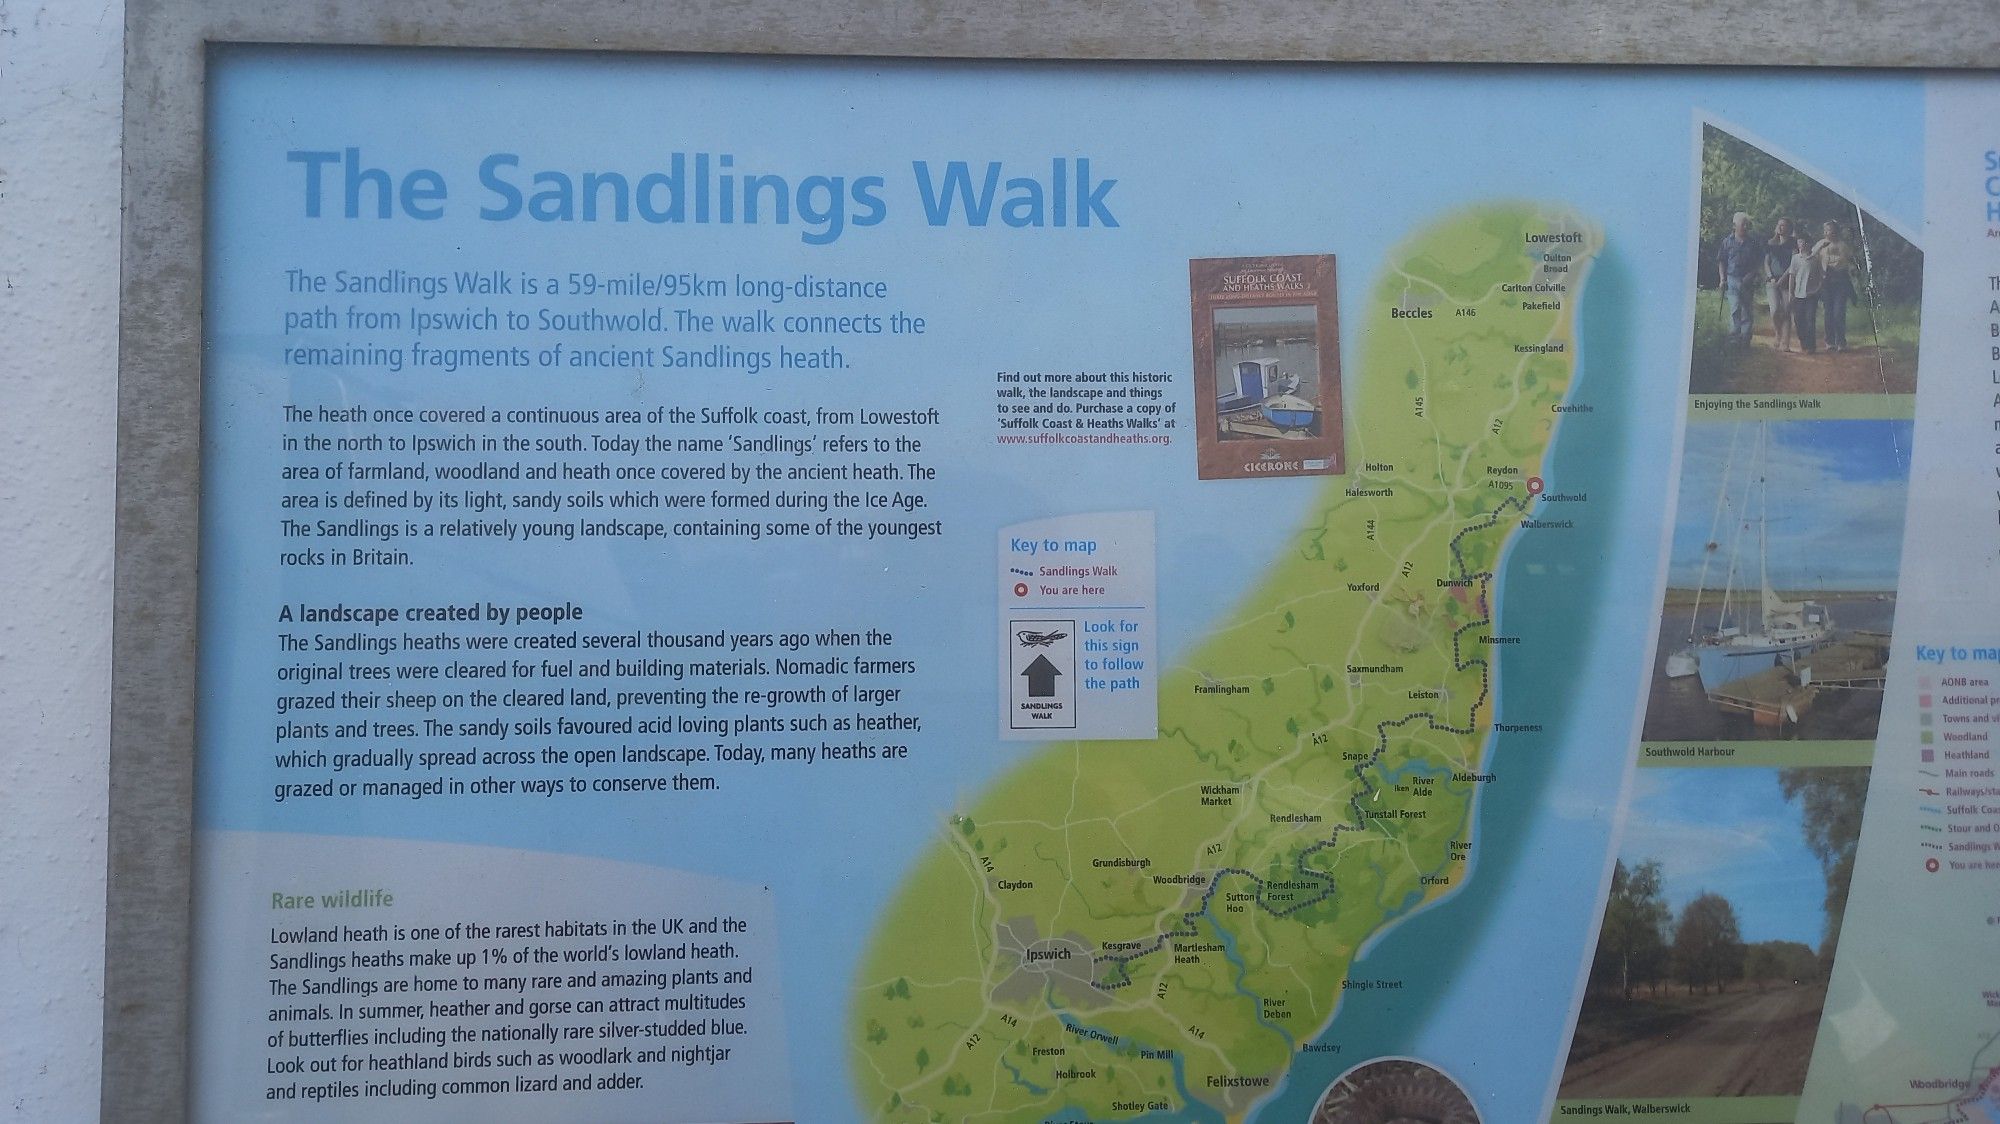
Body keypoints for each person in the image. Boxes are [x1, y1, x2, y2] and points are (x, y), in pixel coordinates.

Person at [1715, 212, 1761, 345]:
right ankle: (1734, 337)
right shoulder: (1727, 241)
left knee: (1746, 309)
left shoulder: (1753, 242)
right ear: (1735, 226)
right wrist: (1722, 279)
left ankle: (1745, 339)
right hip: (1732, 278)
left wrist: (1751, 275)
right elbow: (1722, 261)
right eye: (1743, 224)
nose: (1746, 227)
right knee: (1735, 307)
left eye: (1747, 224)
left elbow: (1758, 262)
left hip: (1748, 280)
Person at [1815, 220, 1856, 352]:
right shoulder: (1820, 245)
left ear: (1836, 231)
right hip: (1826, 282)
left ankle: (1841, 341)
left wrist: (1853, 269)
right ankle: (1829, 341)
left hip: (1841, 281)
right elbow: (1811, 258)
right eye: (1826, 230)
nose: (1829, 233)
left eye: (1831, 230)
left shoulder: (1843, 246)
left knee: (1839, 312)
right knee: (1828, 312)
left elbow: (1851, 262)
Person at [1786, 233, 1823, 354]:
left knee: (1810, 319)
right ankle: (1803, 342)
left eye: (1802, 242)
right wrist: (1791, 293)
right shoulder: (1795, 258)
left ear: (1808, 244)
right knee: (1798, 319)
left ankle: (1811, 346)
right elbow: (1792, 275)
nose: (1800, 245)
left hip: (1811, 294)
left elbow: (1820, 276)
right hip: (1798, 294)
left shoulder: (1815, 259)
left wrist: (1817, 289)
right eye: (1799, 242)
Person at [1765, 218, 1795, 352]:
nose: (1780, 227)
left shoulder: (1794, 244)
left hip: (1788, 280)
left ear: (1789, 228)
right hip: (1772, 281)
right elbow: (1766, 262)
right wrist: (1771, 277)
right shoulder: (1770, 243)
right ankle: (1778, 333)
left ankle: (1785, 342)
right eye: (1779, 225)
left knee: (1787, 311)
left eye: (1783, 225)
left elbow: (1793, 264)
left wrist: (1783, 279)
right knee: (1775, 310)